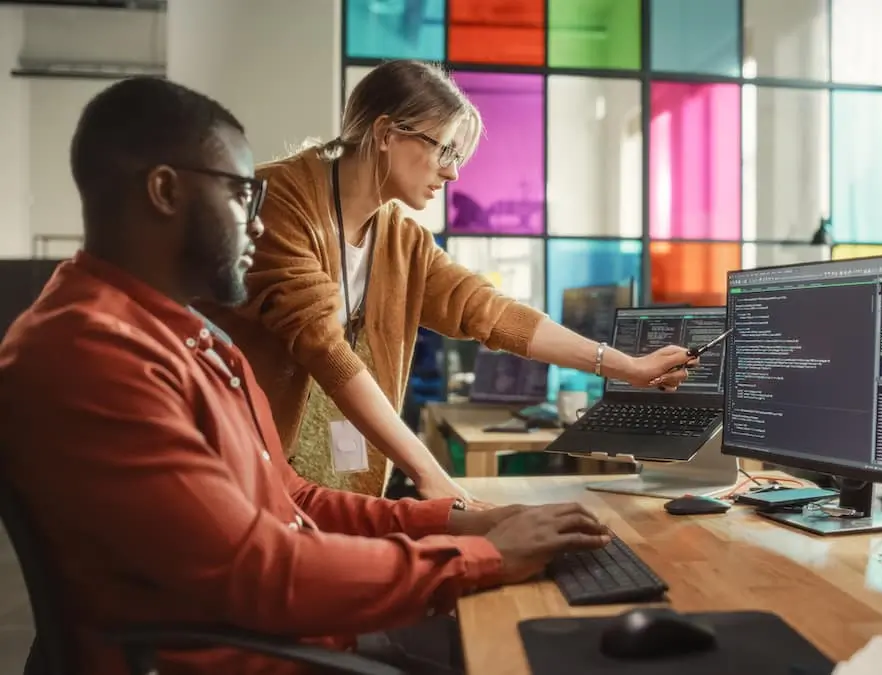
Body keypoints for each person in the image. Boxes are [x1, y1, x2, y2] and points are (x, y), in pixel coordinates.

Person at [0, 77, 610, 675]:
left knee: (552, 634)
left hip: (290, 630)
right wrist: (479, 557)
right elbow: (260, 572)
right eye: (243, 195)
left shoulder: (191, 341)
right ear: (165, 191)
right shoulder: (92, 356)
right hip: (250, 654)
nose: (258, 224)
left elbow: (292, 498)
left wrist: (460, 522)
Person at [200, 60, 693, 504]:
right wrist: (429, 473)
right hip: (234, 470)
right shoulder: (278, 201)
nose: (453, 173)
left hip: (320, 488)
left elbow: (487, 310)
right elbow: (322, 344)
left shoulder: (401, 238)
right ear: (386, 133)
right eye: (444, 151)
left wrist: (627, 367)